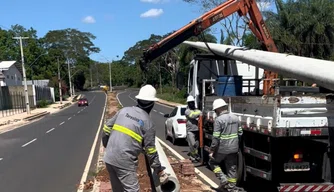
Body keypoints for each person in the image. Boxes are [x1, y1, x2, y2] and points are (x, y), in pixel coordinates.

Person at [102, 85, 168, 192]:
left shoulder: (124, 111)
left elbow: (106, 129)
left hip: (109, 158)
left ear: (137, 99)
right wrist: (159, 169)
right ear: (152, 104)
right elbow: (150, 151)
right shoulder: (148, 123)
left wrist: (107, 146)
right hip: (124, 160)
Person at [209, 98, 243, 192]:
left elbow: (215, 137)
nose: (215, 112)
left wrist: (212, 149)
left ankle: (223, 180)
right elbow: (240, 133)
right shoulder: (235, 117)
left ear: (218, 109)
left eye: (215, 110)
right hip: (234, 148)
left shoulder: (219, 120)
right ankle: (232, 187)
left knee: (212, 162)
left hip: (222, 148)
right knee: (232, 167)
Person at [184, 95, 201, 162]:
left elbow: (198, 113)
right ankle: (192, 157)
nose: (192, 104)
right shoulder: (187, 111)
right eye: (190, 102)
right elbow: (192, 115)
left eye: (192, 102)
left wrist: (197, 112)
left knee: (197, 145)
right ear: (188, 103)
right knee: (192, 144)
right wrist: (198, 112)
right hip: (190, 131)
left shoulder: (196, 110)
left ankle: (196, 156)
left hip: (197, 130)